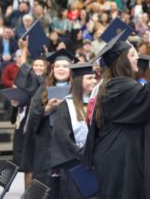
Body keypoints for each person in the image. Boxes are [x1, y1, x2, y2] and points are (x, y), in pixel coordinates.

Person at [84, 30, 150, 199]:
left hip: (123, 154)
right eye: (131, 55)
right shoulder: (118, 86)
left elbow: (145, 105)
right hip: (118, 158)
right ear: (121, 61)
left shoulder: (115, 85)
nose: (136, 58)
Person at [26, 49, 77, 195]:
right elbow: (33, 114)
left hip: (68, 143)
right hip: (46, 143)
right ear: (52, 69)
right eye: (57, 66)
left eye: (65, 66)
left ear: (71, 69)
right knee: (46, 184)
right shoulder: (43, 89)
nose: (61, 69)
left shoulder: (76, 89)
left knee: (67, 184)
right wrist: (47, 108)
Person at [50, 62, 97, 199]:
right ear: (78, 81)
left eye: (95, 77)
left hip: (97, 162)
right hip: (75, 165)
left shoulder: (97, 103)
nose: (94, 81)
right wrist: (84, 153)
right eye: (89, 78)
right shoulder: (66, 106)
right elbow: (62, 138)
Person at [10, 38, 46, 189]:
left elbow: (24, 67)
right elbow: (24, 68)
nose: (37, 68)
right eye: (35, 65)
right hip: (29, 126)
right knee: (29, 164)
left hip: (43, 127)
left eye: (41, 65)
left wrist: (25, 50)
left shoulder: (44, 81)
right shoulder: (33, 82)